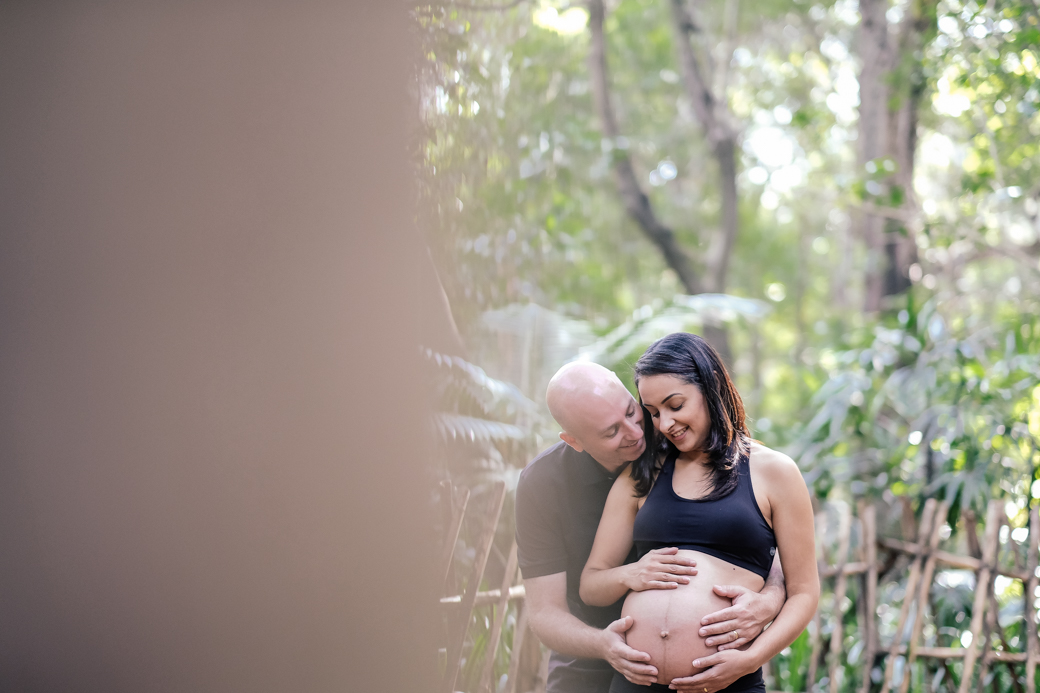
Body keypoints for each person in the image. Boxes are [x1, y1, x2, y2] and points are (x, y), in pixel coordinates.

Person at [515, 361, 787, 693]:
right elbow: (545, 613)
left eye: (632, 411)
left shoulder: (676, 433)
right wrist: (603, 643)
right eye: (611, 431)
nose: (635, 433)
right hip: (586, 665)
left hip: (714, 671)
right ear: (574, 440)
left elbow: (754, 528)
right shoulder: (543, 484)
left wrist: (771, 597)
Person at [580, 333, 820, 693]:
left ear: (710, 388)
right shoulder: (641, 475)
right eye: (654, 413)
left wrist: (750, 660)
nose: (664, 424)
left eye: (676, 405)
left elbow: (804, 592)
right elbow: (591, 585)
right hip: (635, 683)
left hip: (728, 681)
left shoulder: (775, 472)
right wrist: (632, 573)